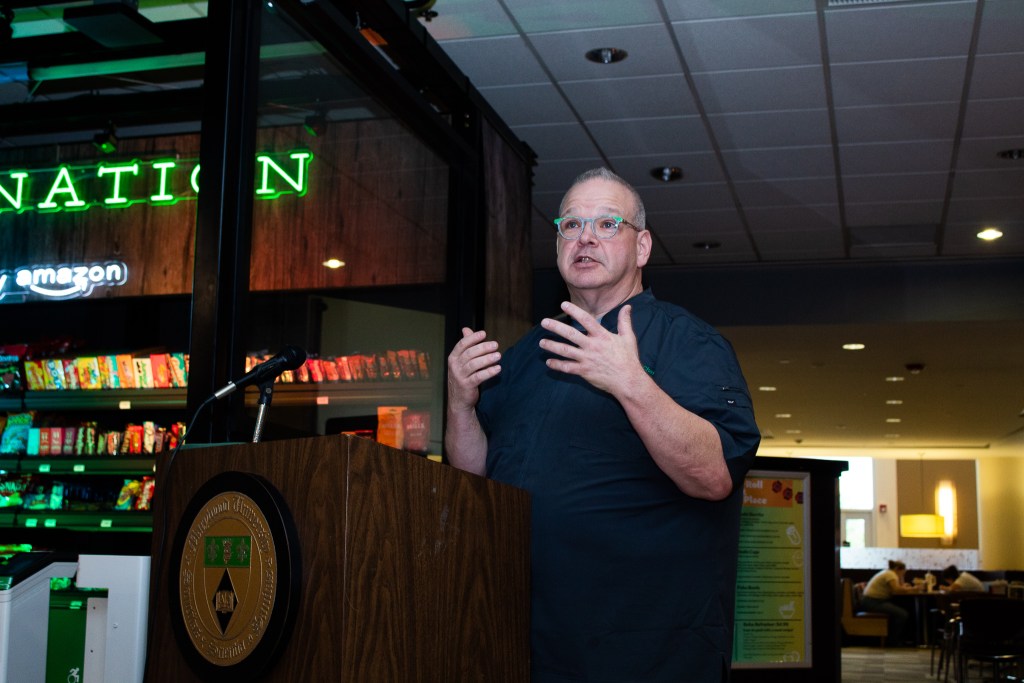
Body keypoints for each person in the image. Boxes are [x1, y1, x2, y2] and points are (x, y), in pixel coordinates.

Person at [445, 167, 761, 682]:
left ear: (642, 248)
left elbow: (713, 475)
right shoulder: (529, 352)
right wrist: (460, 404)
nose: (585, 237)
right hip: (525, 642)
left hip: (645, 651)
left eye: (608, 224)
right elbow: (474, 480)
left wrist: (630, 383)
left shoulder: (687, 343)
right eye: (571, 225)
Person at [860, 560, 922, 644]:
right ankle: (893, 640)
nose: (903, 574)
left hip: (871, 601)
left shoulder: (888, 572)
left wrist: (902, 581)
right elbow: (896, 590)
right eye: (903, 572)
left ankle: (893, 639)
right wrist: (913, 588)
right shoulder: (890, 574)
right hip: (872, 602)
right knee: (902, 614)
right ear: (897, 569)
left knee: (901, 612)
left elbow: (898, 587)